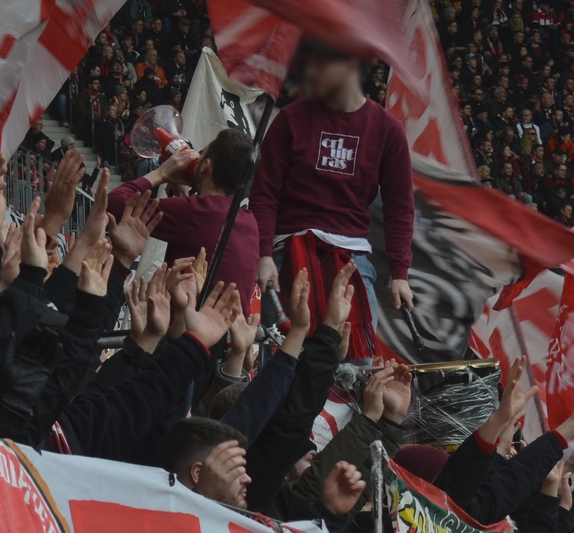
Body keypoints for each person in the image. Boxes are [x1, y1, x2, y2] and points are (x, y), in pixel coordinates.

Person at [249, 40, 415, 360]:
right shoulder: (290, 119)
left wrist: (400, 274)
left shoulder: (387, 129)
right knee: (280, 365)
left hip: (351, 259)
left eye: (321, 65)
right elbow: (264, 193)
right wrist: (263, 253)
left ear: (351, 65)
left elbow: (400, 207)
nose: (311, 73)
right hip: (287, 254)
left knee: (357, 367)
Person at [105, 127, 259, 292]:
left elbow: (111, 202)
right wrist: (182, 195)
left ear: (206, 166)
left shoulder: (193, 211)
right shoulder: (250, 221)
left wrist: (161, 173)